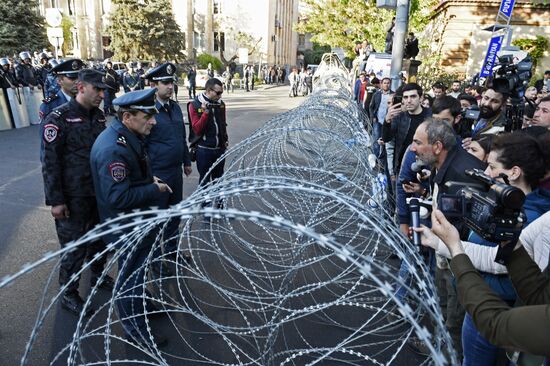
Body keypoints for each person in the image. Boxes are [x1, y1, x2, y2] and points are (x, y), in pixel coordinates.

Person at [90, 88, 171, 347]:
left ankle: (141, 308)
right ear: (127, 117)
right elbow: (118, 197)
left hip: (135, 221)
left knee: (136, 275)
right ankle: (136, 331)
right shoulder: (114, 149)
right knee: (130, 280)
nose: (154, 121)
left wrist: (148, 180)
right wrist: (153, 189)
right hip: (126, 226)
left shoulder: (126, 137)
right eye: (147, 116)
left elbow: (130, 178)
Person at [414, 209, 550, 358]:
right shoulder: (545, 222)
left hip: (496, 311)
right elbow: (539, 293)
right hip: (489, 307)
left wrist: (455, 249)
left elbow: (495, 324)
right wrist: (509, 238)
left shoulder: (533, 212)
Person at [410, 118, 486, 358]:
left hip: (459, 258)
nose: (413, 148)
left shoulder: (463, 174)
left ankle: (448, 357)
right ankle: (437, 347)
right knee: (442, 305)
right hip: (443, 252)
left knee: (455, 317)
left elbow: (472, 225)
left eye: (417, 142)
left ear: (437, 146)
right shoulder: (442, 166)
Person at [40, 69, 113, 316]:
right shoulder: (58, 118)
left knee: (100, 239)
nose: (102, 94)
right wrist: (56, 200)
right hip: (73, 196)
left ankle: (98, 275)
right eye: (97, 89)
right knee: (74, 247)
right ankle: (68, 293)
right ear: (81, 88)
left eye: (103, 90)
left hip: (97, 193)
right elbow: (50, 162)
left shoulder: (99, 116)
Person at [143, 63, 193, 262]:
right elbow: (142, 145)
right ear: (154, 85)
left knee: (174, 215)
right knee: (157, 218)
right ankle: (154, 258)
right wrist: (148, 174)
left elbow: (181, 136)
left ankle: (171, 252)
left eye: (172, 82)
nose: (170, 86)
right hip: (157, 173)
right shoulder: (147, 110)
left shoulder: (173, 107)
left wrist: (186, 161)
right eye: (165, 83)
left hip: (175, 172)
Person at [382, 82, 432, 176]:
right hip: (402, 166)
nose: (409, 101)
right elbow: (386, 138)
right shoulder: (400, 116)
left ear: (421, 98)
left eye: (413, 96)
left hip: (425, 167)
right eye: (405, 97)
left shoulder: (431, 116)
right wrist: (387, 121)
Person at [187, 77, 228, 189]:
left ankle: (220, 205)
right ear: (209, 91)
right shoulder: (194, 105)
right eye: (218, 93)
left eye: (221, 93)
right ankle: (205, 206)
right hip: (204, 151)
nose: (220, 96)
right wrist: (205, 112)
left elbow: (223, 125)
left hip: (219, 150)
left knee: (219, 182)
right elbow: (197, 129)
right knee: (205, 183)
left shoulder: (220, 104)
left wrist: (225, 142)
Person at [39, 59, 84, 124]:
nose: (77, 82)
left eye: (79, 78)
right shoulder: (49, 106)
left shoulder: (85, 101)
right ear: (59, 81)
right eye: (72, 78)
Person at [369, 77, 393, 157]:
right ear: (381, 84)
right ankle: (375, 157)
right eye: (384, 83)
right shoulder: (377, 94)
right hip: (378, 121)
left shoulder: (393, 95)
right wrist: (373, 117)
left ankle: (383, 157)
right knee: (376, 139)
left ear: (390, 84)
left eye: (388, 83)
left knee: (386, 140)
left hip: (388, 122)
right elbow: (371, 106)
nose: (386, 85)